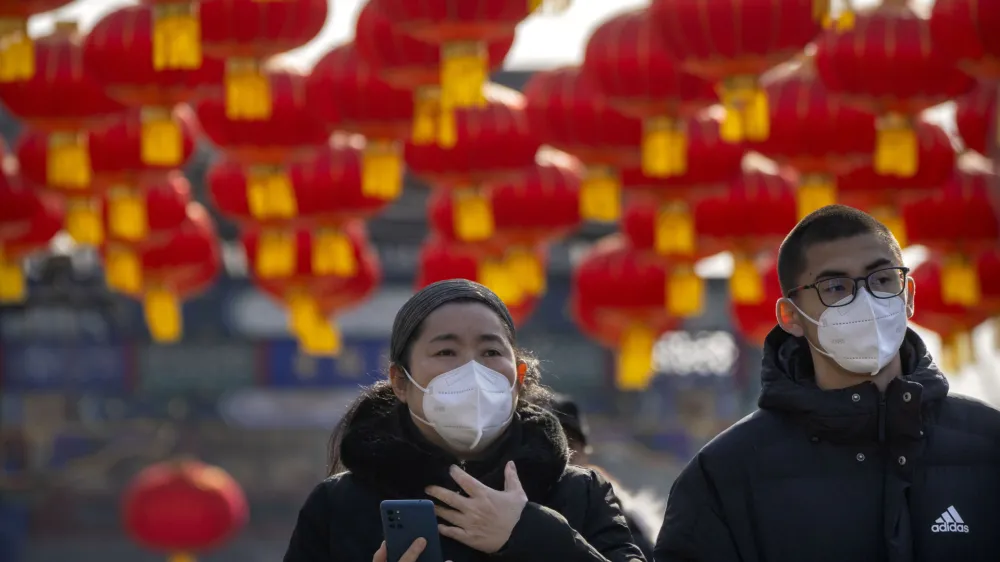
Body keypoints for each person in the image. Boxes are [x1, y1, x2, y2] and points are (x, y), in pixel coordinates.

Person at [654, 205, 1000, 561]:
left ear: (907, 294)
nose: (865, 301)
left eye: (882, 280)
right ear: (790, 317)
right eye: (835, 287)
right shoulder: (727, 474)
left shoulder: (988, 442)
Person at [284, 279, 647, 562]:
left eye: (490, 351)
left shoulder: (579, 492)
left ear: (518, 377)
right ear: (399, 381)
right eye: (446, 351)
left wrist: (528, 533)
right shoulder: (340, 505)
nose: (472, 369)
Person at [545, 394, 663, 561]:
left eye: (568, 445)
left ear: (586, 451)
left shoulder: (620, 518)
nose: (559, 456)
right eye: (547, 444)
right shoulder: (507, 511)